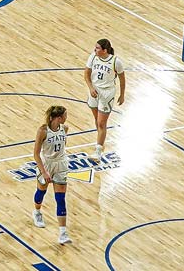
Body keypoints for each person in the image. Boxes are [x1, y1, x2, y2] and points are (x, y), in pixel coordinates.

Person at [29, 104, 75, 247]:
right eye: (65, 115)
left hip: (60, 164)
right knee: (41, 191)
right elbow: (36, 154)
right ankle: (37, 212)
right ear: (58, 117)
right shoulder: (42, 131)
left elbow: (63, 146)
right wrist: (44, 171)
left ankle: (62, 233)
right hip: (46, 164)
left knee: (60, 198)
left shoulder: (65, 129)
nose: (67, 117)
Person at [84, 38, 126, 152]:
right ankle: (101, 143)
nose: (95, 49)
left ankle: (98, 151)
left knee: (101, 123)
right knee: (97, 120)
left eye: (97, 48)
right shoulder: (93, 57)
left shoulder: (116, 62)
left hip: (107, 93)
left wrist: (122, 95)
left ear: (105, 50)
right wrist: (91, 87)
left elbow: (122, 80)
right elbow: (86, 74)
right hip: (94, 91)